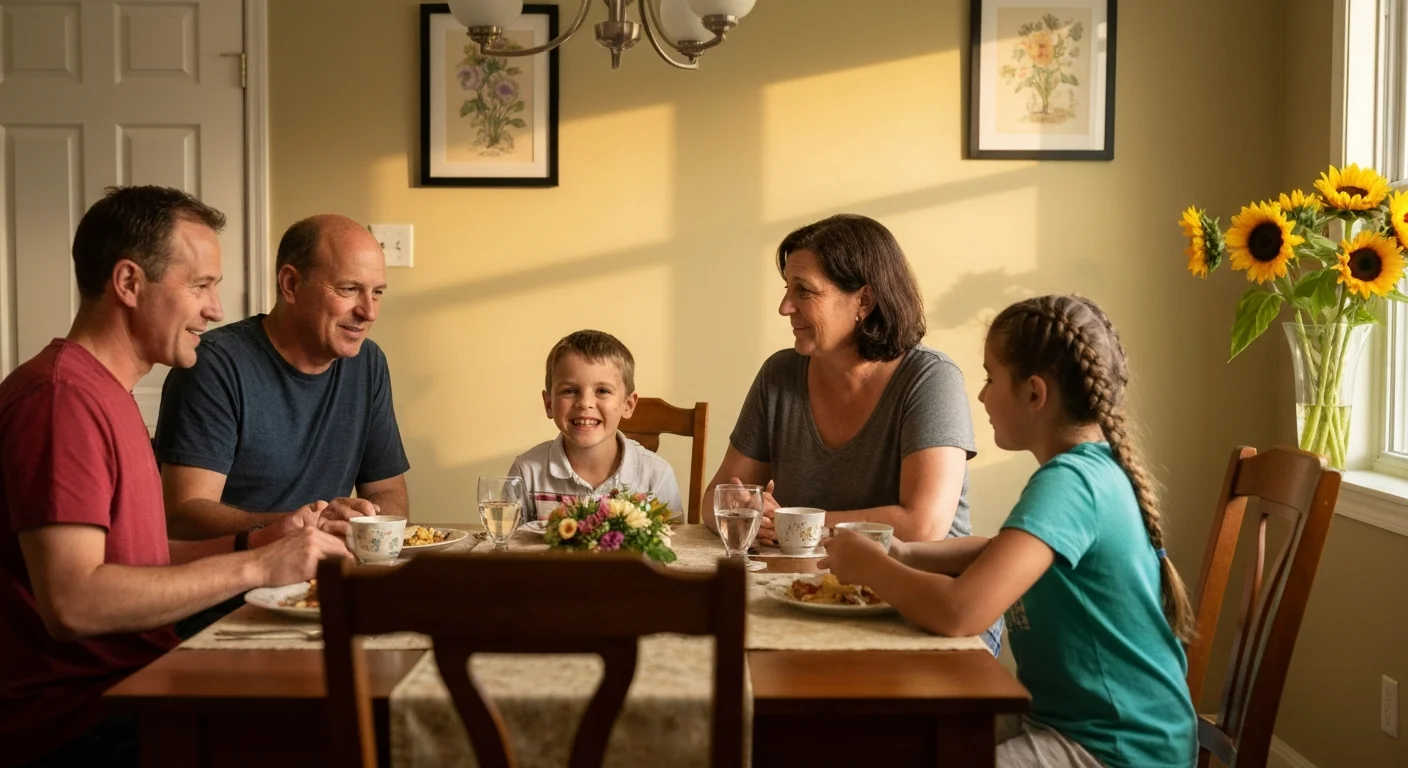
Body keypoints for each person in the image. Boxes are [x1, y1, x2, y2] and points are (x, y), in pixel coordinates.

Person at [0, 186, 350, 767]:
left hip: (138, 687)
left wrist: (259, 539)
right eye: (200, 285)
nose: (215, 309)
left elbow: (134, 559)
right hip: (81, 723)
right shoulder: (61, 401)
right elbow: (74, 602)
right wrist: (258, 566)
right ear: (129, 283)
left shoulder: (106, 393)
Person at [821, 295, 1198, 768]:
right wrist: (906, 555)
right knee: (903, 738)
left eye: (990, 378)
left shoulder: (1072, 483)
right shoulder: (1090, 471)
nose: (981, 396)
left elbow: (962, 613)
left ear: (1035, 394)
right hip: (1078, 726)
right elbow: (1004, 553)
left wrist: (872, 567)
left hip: (1116, 750)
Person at [153, 214, 410, 631]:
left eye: (377, 293)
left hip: (321, 599)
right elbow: (182, 513)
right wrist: (296, 526)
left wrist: (362, 520)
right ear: (290, 284)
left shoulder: (368, 363)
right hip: (224, 610)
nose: (368, 312)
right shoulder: (214, 365)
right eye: (349, 290)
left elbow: (389, 493)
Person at [510, 330, 683, 521]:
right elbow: (506, 544)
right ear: (549, 404)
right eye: (570, 390)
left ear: (628, 405)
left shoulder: (656, 475)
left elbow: (672, 546)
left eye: (602, 391)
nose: (585, 403)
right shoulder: (526, 472)